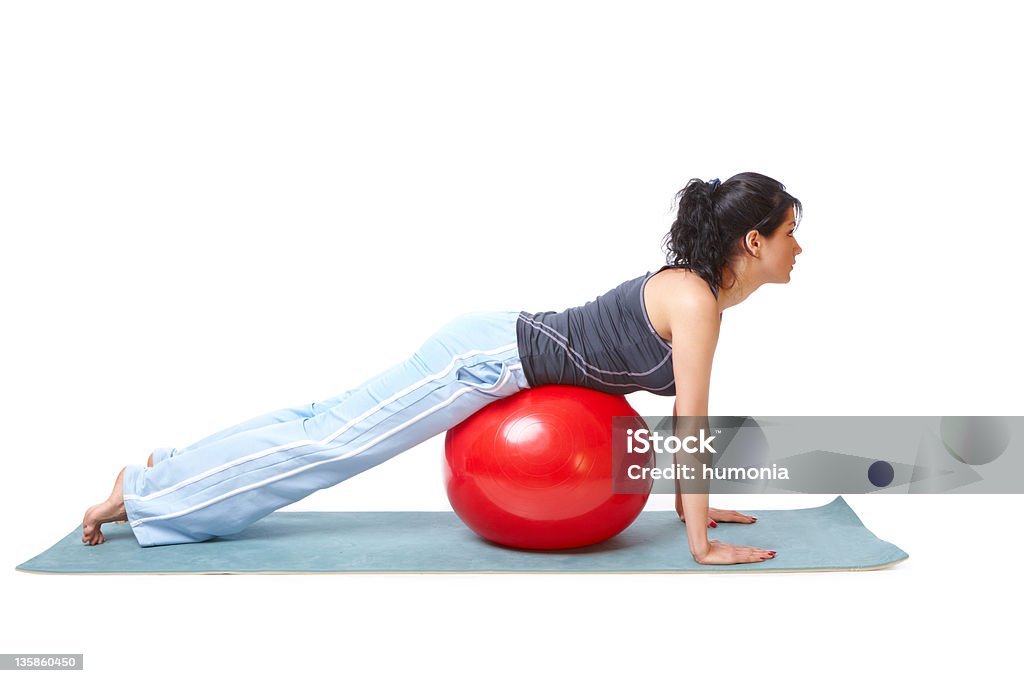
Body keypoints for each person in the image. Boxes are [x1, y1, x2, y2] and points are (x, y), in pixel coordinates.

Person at [82, 171, 803, 565]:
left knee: (321, 422)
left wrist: (688, 508)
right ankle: (146, 493)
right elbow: (692, 420)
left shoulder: (696, 295)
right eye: (790, 234)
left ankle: (170, 468)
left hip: (492, 353)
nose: (797, 249)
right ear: (753, 239)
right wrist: (703, 541)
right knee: (330, 439)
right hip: (484, 362)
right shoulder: (697, 300)